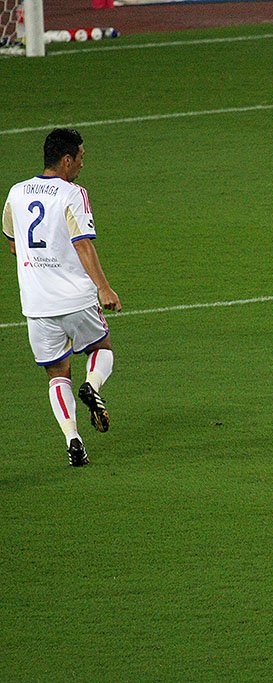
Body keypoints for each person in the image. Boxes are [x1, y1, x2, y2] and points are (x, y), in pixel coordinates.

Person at [3, 128, 121, 467]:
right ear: (66, 160)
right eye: (81, 157)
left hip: (37, 304)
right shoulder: (73, 193)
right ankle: (92, 386)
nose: (83, 164)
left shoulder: (16, 192)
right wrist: (104, 287)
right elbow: (82, 243)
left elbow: (13, 244)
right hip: (76, 298)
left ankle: (73, 439)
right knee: (101, 348)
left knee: (57, 374)